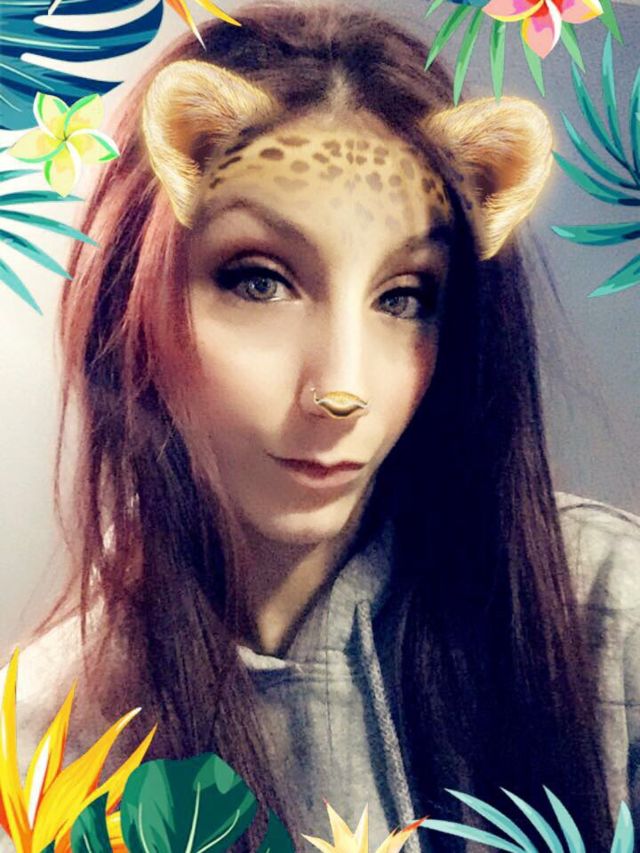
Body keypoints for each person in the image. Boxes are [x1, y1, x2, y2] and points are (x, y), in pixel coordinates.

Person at [1, 3, 638, 851]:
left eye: (403, 296)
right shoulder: (47, 738)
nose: (342, 389)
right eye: (259, 280)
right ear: (134, 297)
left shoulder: (607, 612)